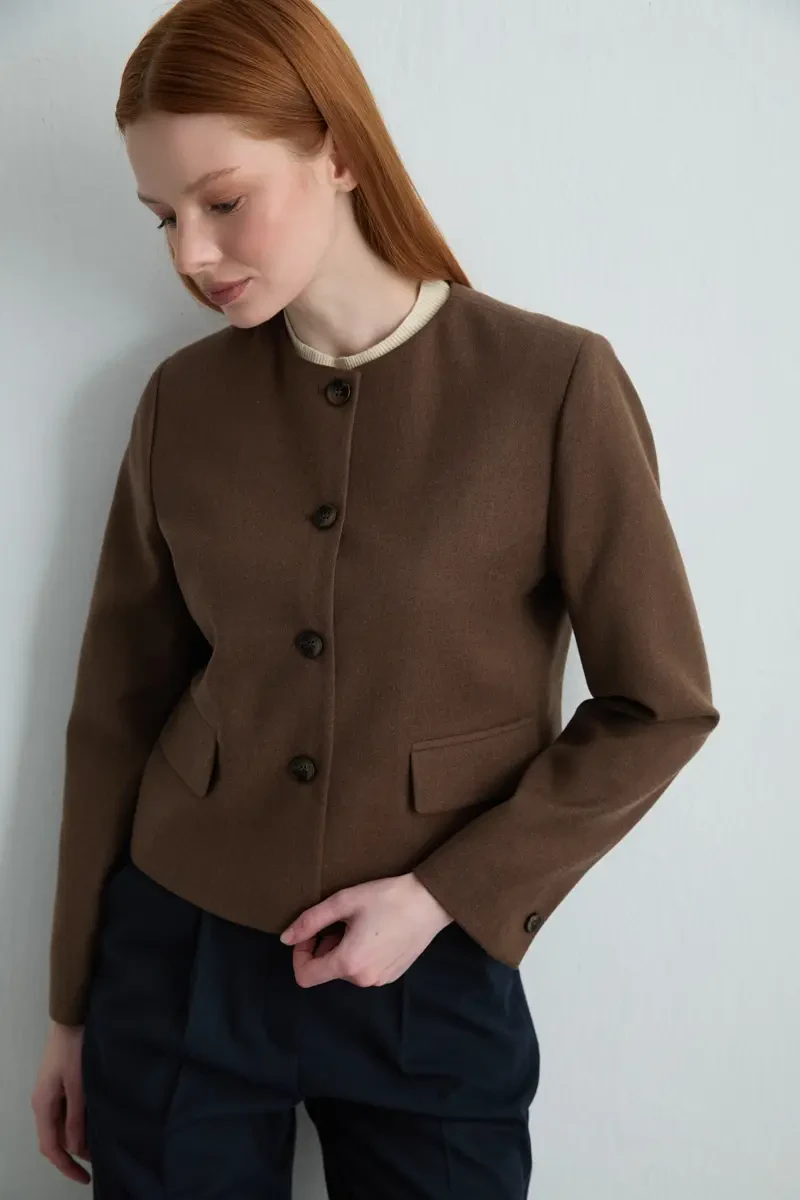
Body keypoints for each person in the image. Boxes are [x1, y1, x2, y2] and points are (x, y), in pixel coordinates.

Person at [30, 0, 720, 1195]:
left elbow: (657, 707)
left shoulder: (550, 385)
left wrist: (446, 896)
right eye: (163, 216)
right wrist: (69, 1007)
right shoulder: (181, 403)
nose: (189, 253)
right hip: (178, 964)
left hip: (433, 969)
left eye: (222, 200)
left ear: (338, 152)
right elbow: (114, 713)